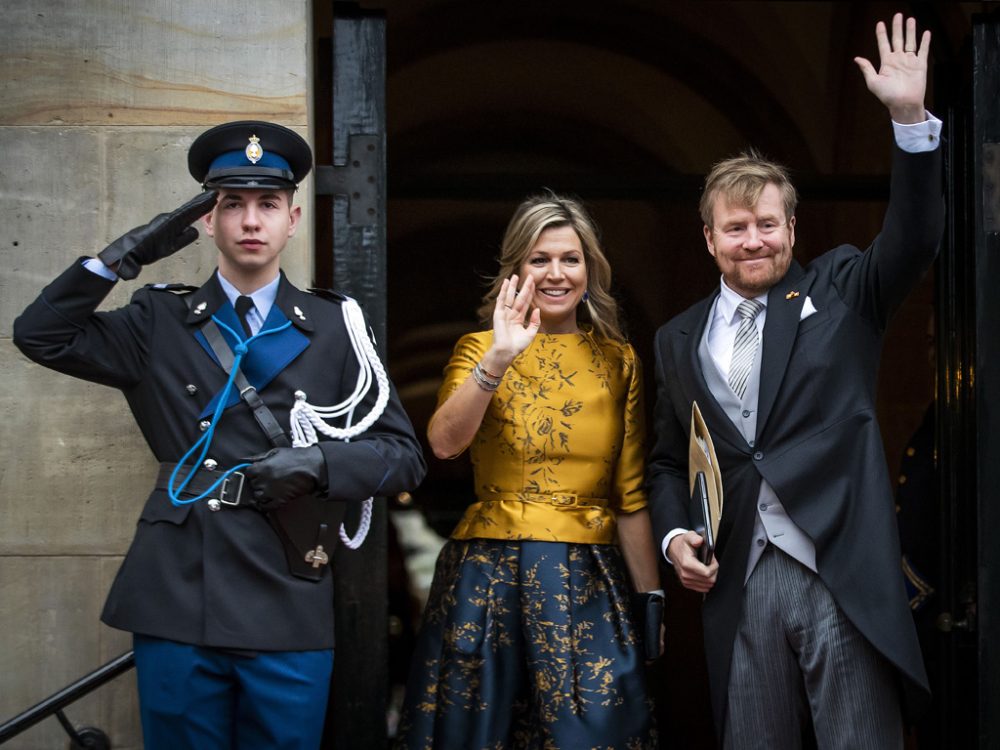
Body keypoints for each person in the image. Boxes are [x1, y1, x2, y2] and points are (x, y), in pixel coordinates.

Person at [12, 121, 426, 749]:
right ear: (207, 220)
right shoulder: (159, 320)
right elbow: (40, 334)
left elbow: (402, 457)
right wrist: (121, 257)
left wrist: (317, 465)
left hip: (287, 595)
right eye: (232, 204)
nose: (250, 221)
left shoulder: (336, 326)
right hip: (179, 590)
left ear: (292, 219)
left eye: (267, 205)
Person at [646, 14, 944, 749]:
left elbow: (913, 237)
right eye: (737, 227)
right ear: (709, 237)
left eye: (768, 225)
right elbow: (664, 460)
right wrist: (678, 533)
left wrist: (909, 122)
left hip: (836, 565)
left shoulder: (843, 288)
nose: (754, 239)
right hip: (739, 576)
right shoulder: (676, 338)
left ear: (792, 229)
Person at [396, 193, 661, 749]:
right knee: (476, 735)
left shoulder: (620, 361)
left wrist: (650, 600)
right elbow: (443, 444)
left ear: (590, 269)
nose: (556, 273)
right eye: (540, 259)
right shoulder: (478, 347)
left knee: (595, 734)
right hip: (488, 571)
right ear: (517, 268)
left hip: (587, 575)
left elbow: (630, 495)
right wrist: (498, 358)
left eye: (571, 258)